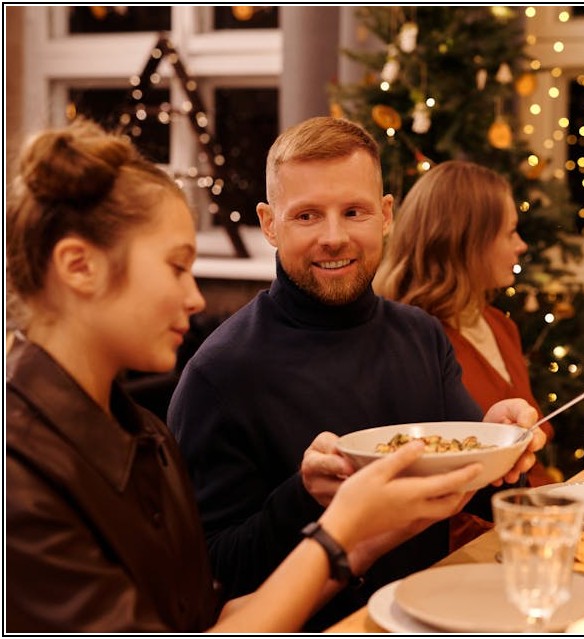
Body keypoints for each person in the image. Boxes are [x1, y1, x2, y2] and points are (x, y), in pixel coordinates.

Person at [5, 119, 483, 632]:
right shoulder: (22, 477)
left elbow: (205, 616)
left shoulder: (140, 433)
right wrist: (337, 531)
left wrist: (360, 535)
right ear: (79, 267)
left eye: (353, 211)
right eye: (176, 266)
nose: (195, 299)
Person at [166, 116, 545, 630]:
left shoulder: (421, 335)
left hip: (436, 614)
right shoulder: (220, 374)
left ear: (386, 215)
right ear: (269, 223)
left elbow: (469, 486)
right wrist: (303, 498)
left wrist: (501, 436)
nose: (334, 236)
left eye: (353, 211)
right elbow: (208, 576)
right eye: (306, 216)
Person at [375, 160, 555, 547]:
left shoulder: (499, 324)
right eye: (509, 233)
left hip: (534, 520)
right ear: (466, 243)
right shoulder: (410, 344)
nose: (521, 245)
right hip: (479, 546)